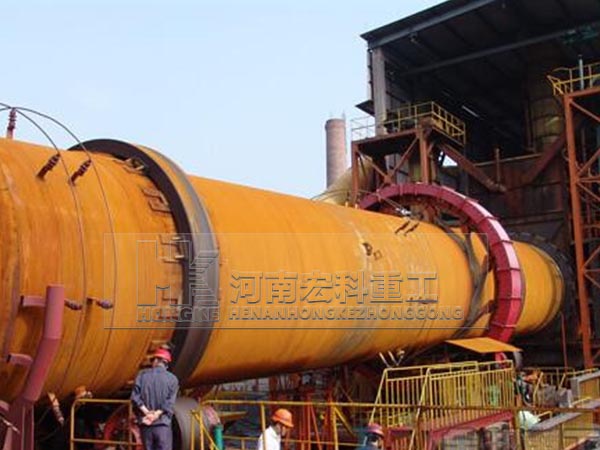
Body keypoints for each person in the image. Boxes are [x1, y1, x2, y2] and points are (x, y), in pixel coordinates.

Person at [130, 348, 179, 450]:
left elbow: (134, 397)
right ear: (166, 363)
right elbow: (170, 403)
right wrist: (156, 414)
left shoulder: (141, 376)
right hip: (162, 425)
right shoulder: (172, 379)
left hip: (146, 424)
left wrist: (147, 413)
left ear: (155, 361)